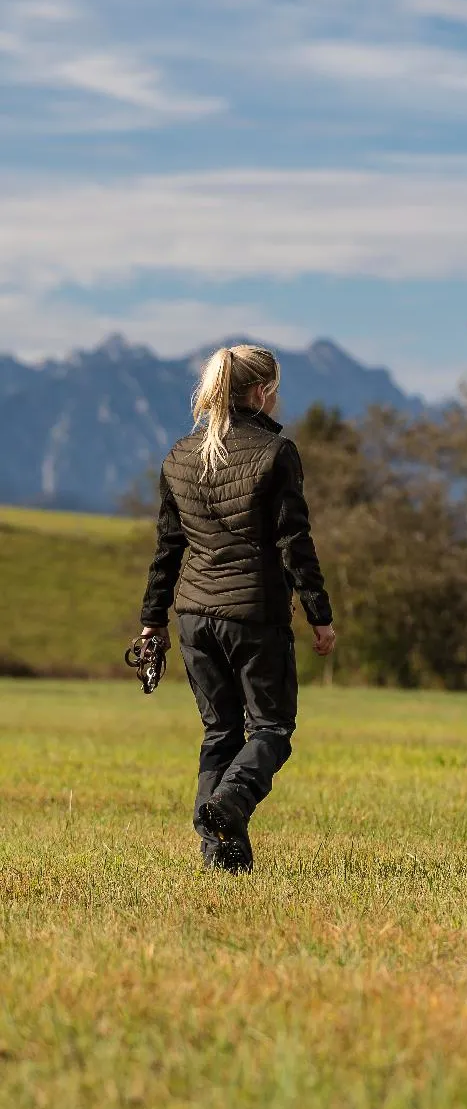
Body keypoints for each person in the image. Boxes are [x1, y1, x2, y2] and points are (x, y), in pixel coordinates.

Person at [137, 344, 336, 874]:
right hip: (253, 614)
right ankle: (229, 804)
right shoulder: (276, 452)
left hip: (193, 617)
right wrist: (319, 612)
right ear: (260, 391)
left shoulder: (180, 454)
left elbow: (167, 549)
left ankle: (222, 858)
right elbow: (295, 540)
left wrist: (152, 619)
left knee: (219, 733)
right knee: (271, 730)